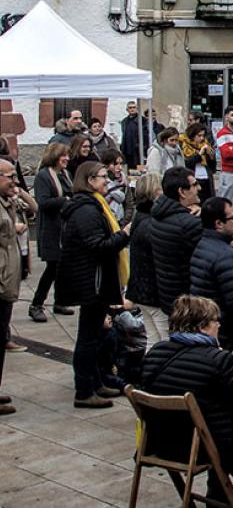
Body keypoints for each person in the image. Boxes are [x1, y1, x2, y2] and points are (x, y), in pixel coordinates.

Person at [140, 295, 233, 508]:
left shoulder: (155, 353)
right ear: (202, 326)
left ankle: (218, 493)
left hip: (161, 442)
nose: (218, 325)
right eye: (215, 320)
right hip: (201, 446)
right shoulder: (217, 359)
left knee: (213, 419)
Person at [56, 160, 131, 407]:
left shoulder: (93, 205)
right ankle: (84, 391)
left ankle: (96, 382)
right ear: (89, 180)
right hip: (92, 282)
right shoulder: (86, 210)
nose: (106, 180)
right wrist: (124, 234)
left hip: (96, 280)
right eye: (102, 177)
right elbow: (97, 246)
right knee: (88, 338)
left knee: (96, 335)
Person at [189, 197, 233, 354]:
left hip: (207, 322)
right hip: (223, 329)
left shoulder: (202, 245)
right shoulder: (227, 256)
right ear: (218, 224)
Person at [0, 157, 36, 413]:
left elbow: (35, 207)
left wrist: (17, 190)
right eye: (9, 176)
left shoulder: (8, 200)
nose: (14, 180)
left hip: (8, 278)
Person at [148, 167, 204, 318]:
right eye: (194, 184)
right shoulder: (189, 224)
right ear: (182, 191)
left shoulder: (158, 215)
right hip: (189, 303)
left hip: (169, 298)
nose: (199, 188)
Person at [30, 142, 74, 322]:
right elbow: (43, 202)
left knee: (61, 267)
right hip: (51, 229)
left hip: (64, 227)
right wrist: (64, 200)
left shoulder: (64, 175)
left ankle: (59, 301)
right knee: (52, 267)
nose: (67, 159)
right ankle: (36, 304)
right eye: (64, 156)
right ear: (55, 157)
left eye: (68, 156)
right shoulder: (43, 176)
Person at [126, 173, 161, 334]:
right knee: (162, 337)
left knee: (152, 338)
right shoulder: (150, 222)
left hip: (141, 290)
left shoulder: (140, 216)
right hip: (152, 292)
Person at [180, 122, 217, 203]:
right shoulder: (184, 145)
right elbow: (187, 164)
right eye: (199, 135)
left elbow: (213, 169)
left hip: (206, 181)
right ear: (192, 135)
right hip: (194, 180)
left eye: (203, 135)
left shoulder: (206, 145)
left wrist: (211, 157)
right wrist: (200, 153)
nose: (202, 138)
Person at [100, 148, 135, 226]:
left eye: (120, 164)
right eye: (115, 164)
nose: (119, 168)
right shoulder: (100, 182)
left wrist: (123, 223)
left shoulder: (124, 183)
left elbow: (129, 205)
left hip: (120, 223)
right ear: (106, 165)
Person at [119, 101, 143, 169]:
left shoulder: (142, 121)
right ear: (127, 109)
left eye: (134, 107)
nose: (132, 109)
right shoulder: (124, 121)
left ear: (137, 109)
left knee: (139, 170)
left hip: (138, 152)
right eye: (130, 108)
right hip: (127, 152)